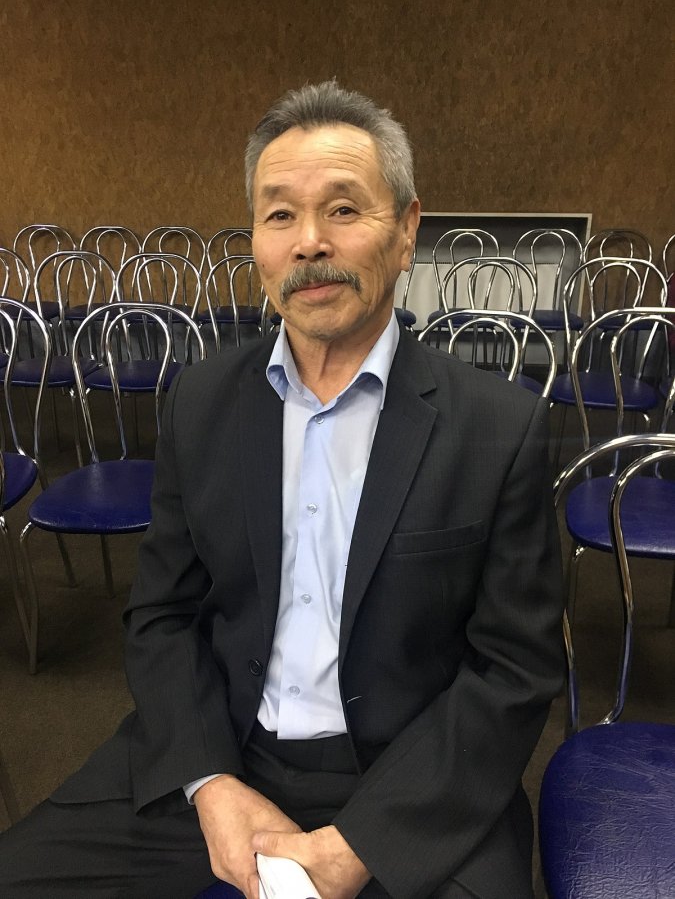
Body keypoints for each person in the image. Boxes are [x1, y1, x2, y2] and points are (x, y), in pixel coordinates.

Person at [0, 81, 564, 899]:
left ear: (406, 232)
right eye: (278, 215)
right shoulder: (200, 402)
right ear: (256, 242)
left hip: (412, 778)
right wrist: (210, 784)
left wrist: (362, 843)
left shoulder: (497, 426)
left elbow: (513, 670)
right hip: (223, 746)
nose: (308, 242)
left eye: (343, 209)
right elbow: (161, 617)